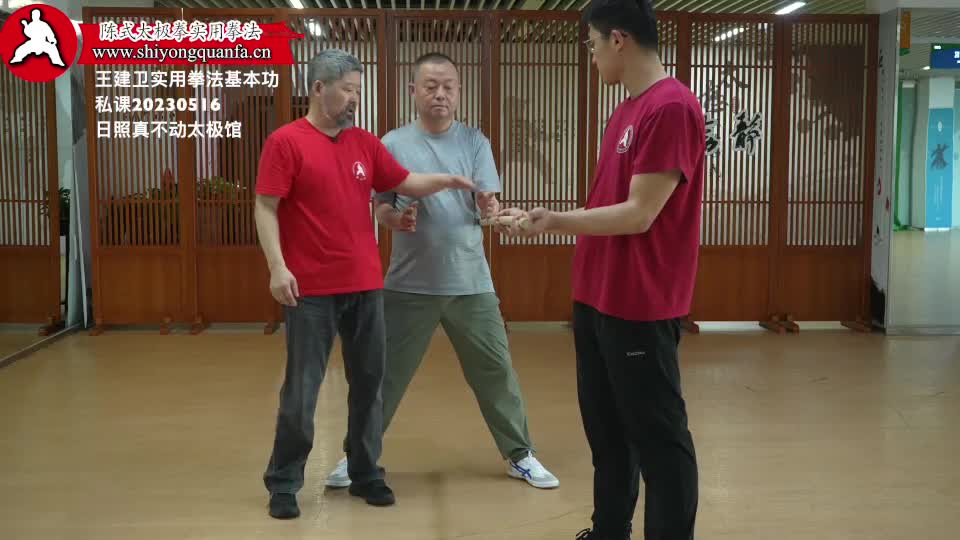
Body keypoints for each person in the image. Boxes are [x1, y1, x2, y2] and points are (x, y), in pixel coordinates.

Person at [499, 0, 703, 538]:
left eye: (592, 46)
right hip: (596, 296)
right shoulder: (624, 111)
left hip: (640, 302)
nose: (591, 58)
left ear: (618, 39)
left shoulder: (671, 108)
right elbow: (608, 205)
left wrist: (553, 220)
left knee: (659, 439)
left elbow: (639, 214)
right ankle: (610, 529)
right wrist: (542, 218)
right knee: (607, 434)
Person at [254, 48, 476, 520]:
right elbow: (266, 206)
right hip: (309, 290)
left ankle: (365, 471)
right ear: (319, 88)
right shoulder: (285, 142)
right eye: (348, 90)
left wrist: (449, 180)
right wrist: (277, 266)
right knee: (302, 389)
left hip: (364, 284)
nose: (355, 98)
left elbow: (405, 181)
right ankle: (285, 481)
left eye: (358, 90)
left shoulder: (364, 143)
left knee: (370, 383)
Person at [324, 52, 559, 491]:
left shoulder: (475, 142)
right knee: (382, 376)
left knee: (496, 372)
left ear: (459, 92)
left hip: (471, 282)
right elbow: (381, 207)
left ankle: (519, 454)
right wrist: (396, 219)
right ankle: (357, 456)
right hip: (408, 284)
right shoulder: (392, 143)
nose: (440, 94)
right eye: (431, 86)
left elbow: (486, 206)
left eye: (449, 86)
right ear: (413, 91)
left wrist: (490, 206)